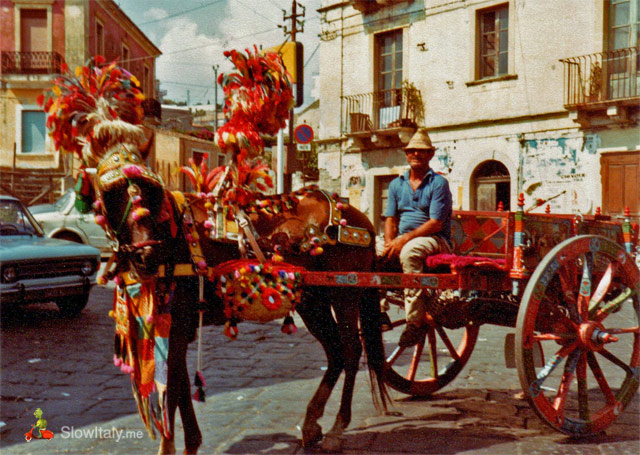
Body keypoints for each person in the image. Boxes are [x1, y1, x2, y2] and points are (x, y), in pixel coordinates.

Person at [381, 128, 452, 347]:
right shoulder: (396, 184)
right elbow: (390, 218)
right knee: (369, 252)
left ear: (430, 154)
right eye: (412, 151)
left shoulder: (438, 183)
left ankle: (414, 323)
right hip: (403, 238)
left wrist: (402, 241)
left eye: (421, 151)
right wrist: (388, 244)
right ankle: (379, 310)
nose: (416, 155)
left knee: (410, 251)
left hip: (436, 240)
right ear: (406, 153)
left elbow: (435, 223)